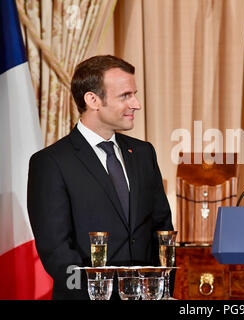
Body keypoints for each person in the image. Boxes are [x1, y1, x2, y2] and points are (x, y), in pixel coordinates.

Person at [27, 55, 173, 299]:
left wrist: (159, 290)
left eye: (134, 94)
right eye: (125, 95)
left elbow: (162, 229)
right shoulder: (50, 162)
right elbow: (56, 250)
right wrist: (96, 294)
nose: (136, 104)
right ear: (92, 99)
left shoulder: (143, 153)